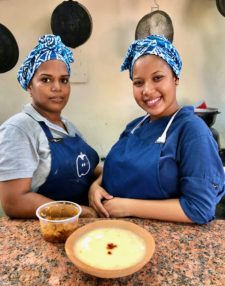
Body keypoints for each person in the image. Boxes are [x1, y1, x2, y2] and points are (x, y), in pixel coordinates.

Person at [89, 34, 225, 224]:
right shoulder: (135, 126)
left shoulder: (192, 131)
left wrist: (128, 207)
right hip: (118, 233)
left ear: (175, 77)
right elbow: (117, 170)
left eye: (157, 78)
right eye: (138, 82)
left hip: (165, 239)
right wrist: (95, 186)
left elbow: (200, 208)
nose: (147, 90)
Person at [0, 34, 100, 218]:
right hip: (47, 230)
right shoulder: (18, 129)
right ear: (30, 85)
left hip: (80, 225)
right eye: (46, 80)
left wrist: (108, 172)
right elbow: (14, 201)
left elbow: (86, 169)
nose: (57, 88)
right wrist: (81, 212)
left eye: (63, 80)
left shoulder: (68, 126)